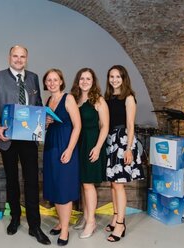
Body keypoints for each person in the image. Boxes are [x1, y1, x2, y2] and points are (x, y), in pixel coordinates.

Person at [0, 45, 51, 245]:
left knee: (32, 181)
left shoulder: (33, 77)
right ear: (9, 57)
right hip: (7, 139)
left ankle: (35, 225)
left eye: (22, 56)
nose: (19, 59)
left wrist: (43, 119)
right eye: (15, 56)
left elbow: (38, 104)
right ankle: (15, 218)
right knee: (12, 179)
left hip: (29, 138)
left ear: (26, 58)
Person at [104, 65, 145, 242]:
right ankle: (115, 217)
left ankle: (121, 223)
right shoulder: (108, 97)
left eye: (118, 76)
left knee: (119, 184)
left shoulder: (128, 98)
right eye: (111, 76)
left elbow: (130, 125)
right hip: (111, 141)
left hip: (123, 141)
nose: (114, 80)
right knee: (114, 184)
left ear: (124, 78)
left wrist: (129, 148)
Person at [42, 69, 81, 246]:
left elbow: (77, 126)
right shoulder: (48, 100)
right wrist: (46, 123)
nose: (51, 83)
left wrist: (70, 149)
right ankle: (61, 222)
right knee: (54, 186)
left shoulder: (69, 98)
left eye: (55, 80)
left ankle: (65, 230)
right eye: (48, 80)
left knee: (64, 188)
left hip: (65, 146)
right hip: (51, 146)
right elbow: (47, 125)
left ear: (61, 81)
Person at [70, 68, 109, 239]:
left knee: (88, 183)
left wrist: (98, 147)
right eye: (82, 78)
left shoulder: (98, 100)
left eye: (88, 78)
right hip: (78, 143)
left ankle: (91, 221)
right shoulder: (75, 99)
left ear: (93, 81)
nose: (85, 81)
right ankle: (85, 216)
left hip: (92, 144)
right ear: (77, 81)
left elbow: (105, 126)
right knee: (82, 183)